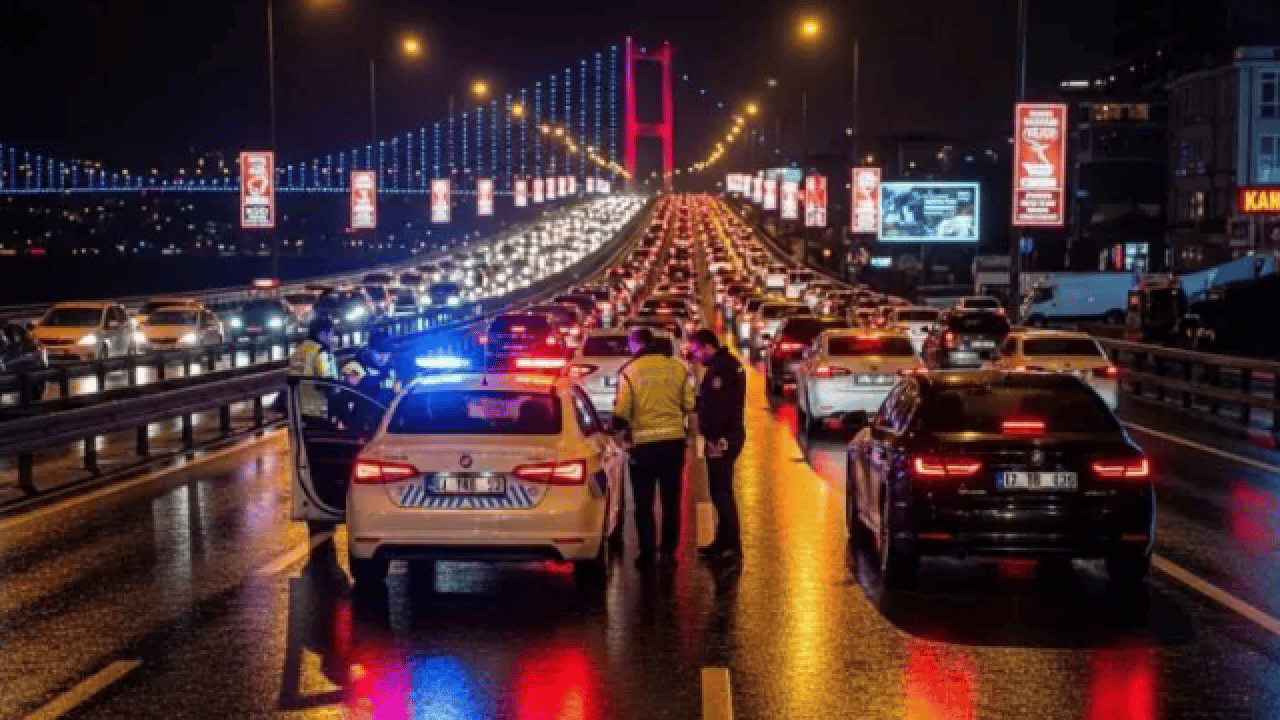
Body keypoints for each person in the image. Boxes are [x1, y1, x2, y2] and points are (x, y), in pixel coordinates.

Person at [612, 326, 696, 568]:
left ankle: (647, 552)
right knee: (672, 501)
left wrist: (616, 425)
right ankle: (669, 552)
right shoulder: (677, 369)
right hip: (673, 445)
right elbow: (689, 404)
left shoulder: (629, 372)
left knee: (643, 502)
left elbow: (622, 411)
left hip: (644, 447)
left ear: (636, 345)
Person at [689, 329, 746, 563]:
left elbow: (719, 408)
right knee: (719, 490)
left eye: (696, 351)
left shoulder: (722, 369)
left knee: (721, 492)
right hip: (726, 436)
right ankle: (723, 541)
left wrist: (716, 439)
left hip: (722, 439)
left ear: (707, 346)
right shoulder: (727, 364)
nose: (696, 356)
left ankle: (731, 544)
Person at [288, 315, 338, 418]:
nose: (332, 338)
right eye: (331, 334)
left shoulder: (300, 348)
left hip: (296, 407)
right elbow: (327, 380)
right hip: (315, 408)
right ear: (323, 333)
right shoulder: (320, 352)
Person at [340, 329, 401, 406]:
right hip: (361, 413)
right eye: (378, 353)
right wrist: (379, 383)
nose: (382, 357)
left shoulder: (392, 368)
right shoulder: (355, 366)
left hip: (387, 413)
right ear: (370, 350)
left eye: (386, 354)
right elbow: (350, 395)